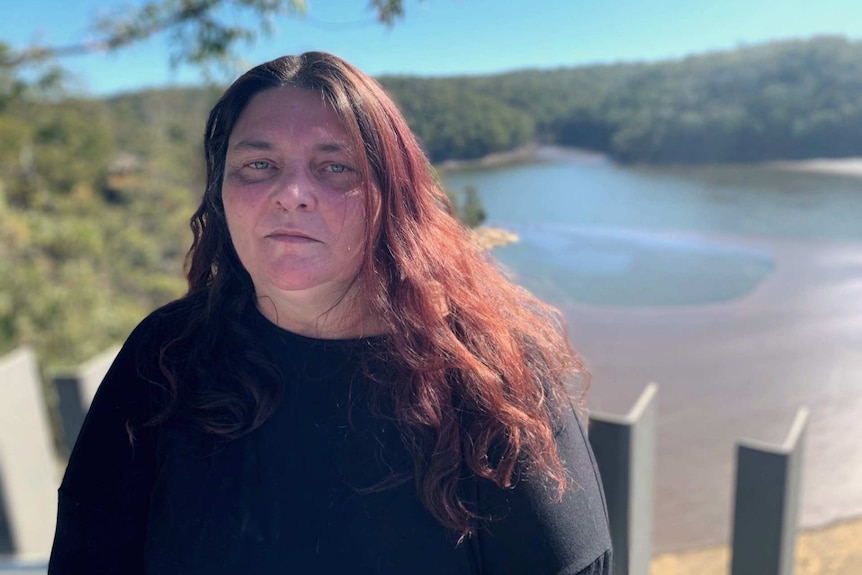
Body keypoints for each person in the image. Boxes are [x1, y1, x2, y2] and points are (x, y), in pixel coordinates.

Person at [48, 51, 612, 574]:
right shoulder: (166, 357)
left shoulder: (490, 375)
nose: (292, 192)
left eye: (335, 166)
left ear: (395, 197)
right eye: (258, 164)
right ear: (221, 192)